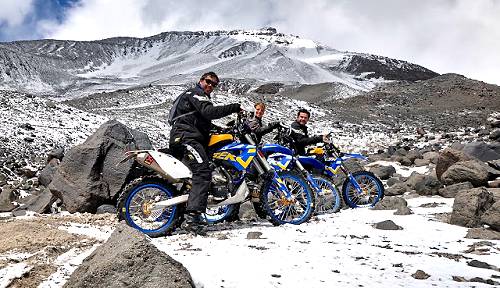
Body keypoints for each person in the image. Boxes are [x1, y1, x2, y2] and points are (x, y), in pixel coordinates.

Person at [168, 71, 240, 235]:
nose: (210, 86)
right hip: (186, 139)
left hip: (189, 136)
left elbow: (203, 121)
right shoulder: (196, 93)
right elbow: (209, 113)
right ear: (201, 80)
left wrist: (224, 130)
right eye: (208, 81)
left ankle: (193, 210)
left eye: (214, 84)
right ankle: (192, 218)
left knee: (201, 170)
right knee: (203, 172)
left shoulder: (198, 96)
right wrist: (234, 107)